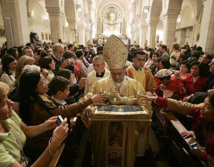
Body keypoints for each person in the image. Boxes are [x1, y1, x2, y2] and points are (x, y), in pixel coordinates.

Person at [87, 35, 152, 167]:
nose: (117, 77)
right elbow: (89, 98)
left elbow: (146, 105)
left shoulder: (135, 85)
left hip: (128, 130)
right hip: (104, 129)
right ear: (109, 71)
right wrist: (89, 106)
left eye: (120, 73)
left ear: (125, 70)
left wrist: (138, 103)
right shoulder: (100, 84)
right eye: (113, 74)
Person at [18, 71, 106, 161]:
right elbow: (61, 111)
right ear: (33, 87)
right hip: (44, 143)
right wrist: (90, 100)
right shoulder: (35, 104)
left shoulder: (39, 96)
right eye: (42, 83)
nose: (46, 84)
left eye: (45, 81)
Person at [0, 81, 68, 167]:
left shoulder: (9, 116)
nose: (11, 103)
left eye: (8, 99)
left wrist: (45, 126)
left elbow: (26, 130)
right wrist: (54, 143)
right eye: (4, 104)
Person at [139, 93, 214, 166]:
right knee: (189, 147)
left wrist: (203, 155)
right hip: (201, 147)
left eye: (207, 106)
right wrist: (157, 99)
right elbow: (181, 106)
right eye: (203, 103)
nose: (201, 107)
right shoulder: (200, 112)